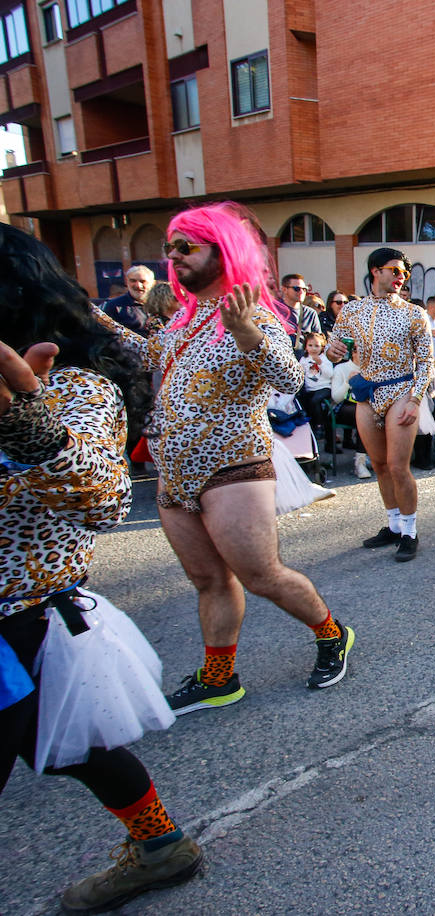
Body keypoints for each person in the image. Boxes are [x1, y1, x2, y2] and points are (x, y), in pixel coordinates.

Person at [0, 225, 203, 913]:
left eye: (181, 254)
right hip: (182, 472)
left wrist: (28, 425)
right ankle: (160, 844)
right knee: (67, 744)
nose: (168, 266)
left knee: (245, 577)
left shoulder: (71, 387)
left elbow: (105, 497)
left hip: (20, 616)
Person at [94, 204, 355, 712]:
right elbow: (150, 357)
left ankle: (332, 634)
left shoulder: (252, 312)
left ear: (222, 249)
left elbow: (289, 378)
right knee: (209, 580)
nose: (175, 256)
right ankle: (219, 677)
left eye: (186, 246)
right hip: (175, 470)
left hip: (233, 465)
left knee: (262, 576)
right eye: (171, 248)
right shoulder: (184, 319)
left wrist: (246, 333)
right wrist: (92, 320)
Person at [325, 248, 432, 561]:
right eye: (395, 271)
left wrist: (415, 400)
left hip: (401, 391)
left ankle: (410, 532)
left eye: (404, 274)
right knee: (381, 466)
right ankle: (394, 526)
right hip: (367, 395)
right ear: (375, 271)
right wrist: (332, 352)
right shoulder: (352, 311)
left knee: (399, 467)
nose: (401, 278)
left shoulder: (415, 313)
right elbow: (336, 351)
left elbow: (426, 361)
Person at [297, 332, 335, 442]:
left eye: (317, 346)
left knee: (315, 400)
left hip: (324, 387)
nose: (313, 348)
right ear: (305, 346)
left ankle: (320, 425)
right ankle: (311, 429)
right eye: (310, 345)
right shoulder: (304, 359)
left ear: (322, 347)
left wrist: (321, 364)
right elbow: (300, 373)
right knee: (305, 402)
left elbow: (330, 374)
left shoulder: (325, 358)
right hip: (310, 388)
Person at [101, 265, 156, 335]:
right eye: (133, 281)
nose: (138, 285)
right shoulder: (113, 306)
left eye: (142, 281)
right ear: (127, 282)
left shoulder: (161, 305)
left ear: (152, 283)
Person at [281, 273, 321, 356]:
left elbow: (319, 340)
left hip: (304, 363)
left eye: (304, 289)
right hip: (281, 362)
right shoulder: (274, 310)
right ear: (284, 289)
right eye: (297, 288)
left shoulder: (311, 313)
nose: (301, 292)